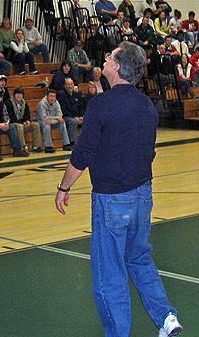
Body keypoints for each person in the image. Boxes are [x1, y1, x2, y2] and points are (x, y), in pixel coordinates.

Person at [54, 42, 183, 337]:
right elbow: (149, 152)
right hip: (142, 196)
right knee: (138, 257)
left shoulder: (101, 105)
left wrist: (64, 186)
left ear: (117, 67)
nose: (106, 58)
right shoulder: (146, 106)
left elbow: (82, 154)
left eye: (110, 57)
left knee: (108, 273)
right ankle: (166, 317)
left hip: (112, 201)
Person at [7, 88, 42, 152]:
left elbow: (27, 114)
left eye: (21, 94)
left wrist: (28, 121)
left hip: (22, 123)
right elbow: (11, 117)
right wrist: (22, 122)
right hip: (13, 123)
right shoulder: (9, 102)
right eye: (17, 94)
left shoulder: (24, 102)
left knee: (36, 125)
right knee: (20, 126)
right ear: (14, 95)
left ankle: (36, 146)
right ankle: (22, 146)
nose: (19, 96)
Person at [36, 88, 71, 153]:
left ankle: (66, 144)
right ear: (47, 96)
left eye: (54, 96)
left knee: (62, 122)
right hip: (40, 122)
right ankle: (48, 146)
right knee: (47, 124)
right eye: (51, 96)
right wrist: (56, 118)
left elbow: (60, 115)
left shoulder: (56, 102)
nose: (52, 98)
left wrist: (55, 119)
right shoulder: (42, 103)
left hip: (51, 121)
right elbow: (44, 118)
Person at [57, 78, 84, 145]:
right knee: (73, 121)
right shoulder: (61, 95)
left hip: (78, 117)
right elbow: (63, 110)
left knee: (89, 120)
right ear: (65, 86)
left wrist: (81, 116)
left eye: (71, 84)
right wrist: (74, 117)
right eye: (68, 84)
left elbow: (81, 107)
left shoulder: (77, 94)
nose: (70, 86)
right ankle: (73, 142)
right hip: (67, 117)